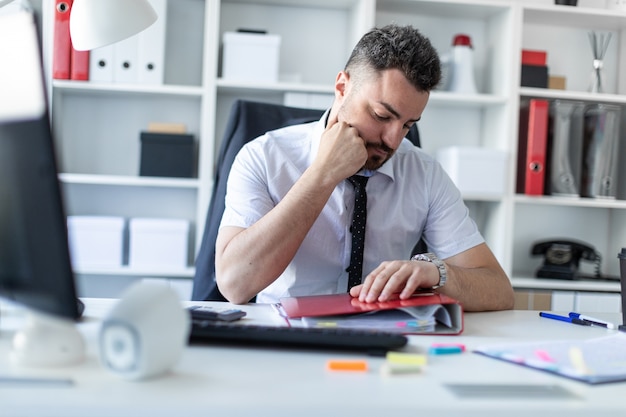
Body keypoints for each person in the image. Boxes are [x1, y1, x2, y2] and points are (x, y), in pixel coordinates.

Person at [214, 24, 515, 311]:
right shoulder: (263, 156)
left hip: (382, 339)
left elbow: (499, 291)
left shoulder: (423, 173)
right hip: (284, 340)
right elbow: (234, 285)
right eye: (382, 116)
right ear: (342, 87)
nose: (393, 140)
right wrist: (323, 174)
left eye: (408, 125)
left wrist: (436, 273)